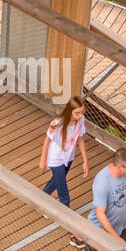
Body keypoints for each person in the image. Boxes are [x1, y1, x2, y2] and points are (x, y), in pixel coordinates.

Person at [39, 96, 90, 241]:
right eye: (77, 113)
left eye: (81, 112)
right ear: (70, 112)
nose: (80, 116)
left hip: (69, 157)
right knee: (64, 195)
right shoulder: (57, 124)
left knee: (56, 180)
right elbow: (47, 140)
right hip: (56, 159)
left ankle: (43, 196)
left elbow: (80, 139)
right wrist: (43, 159)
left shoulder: (81, 120)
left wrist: (85, 161)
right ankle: (68, 223)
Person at [84, 147, 126, 251]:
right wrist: (116, 238)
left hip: (123, 227)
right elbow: (100, 214)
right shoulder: (102, 181)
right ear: (120, 167)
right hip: (100, 231)